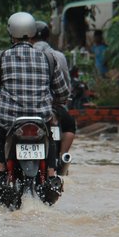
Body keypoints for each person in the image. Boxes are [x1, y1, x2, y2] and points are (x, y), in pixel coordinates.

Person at [0, 12, 70, 203]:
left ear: (10, 32)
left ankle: (0, 175)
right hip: (40, 119)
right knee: (49, 132)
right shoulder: (49, 58)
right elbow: (63, 93)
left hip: (11, 121)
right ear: (33, 32)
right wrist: (54, 101)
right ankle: (50, 174)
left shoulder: (0, 58)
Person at [31, 21, 77, 174]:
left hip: (23, 109)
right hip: (54, 108)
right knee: (70, 125)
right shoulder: (58, 56)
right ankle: (62, 157)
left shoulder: (20, 55)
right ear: (47, 36)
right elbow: (65, 86)